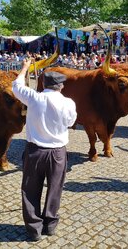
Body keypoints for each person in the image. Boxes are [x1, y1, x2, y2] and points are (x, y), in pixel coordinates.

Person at [12, 59, 77, 242]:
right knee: (55, 189)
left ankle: (34, 230)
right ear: (61, 86)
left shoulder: (33, 97)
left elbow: (16, 85)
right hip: (57, 152)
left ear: (43, 84)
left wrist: (25, 67)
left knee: (30, 190)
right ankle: (50, 225)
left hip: (35, 151)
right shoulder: (69, 103)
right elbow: (71, 123)